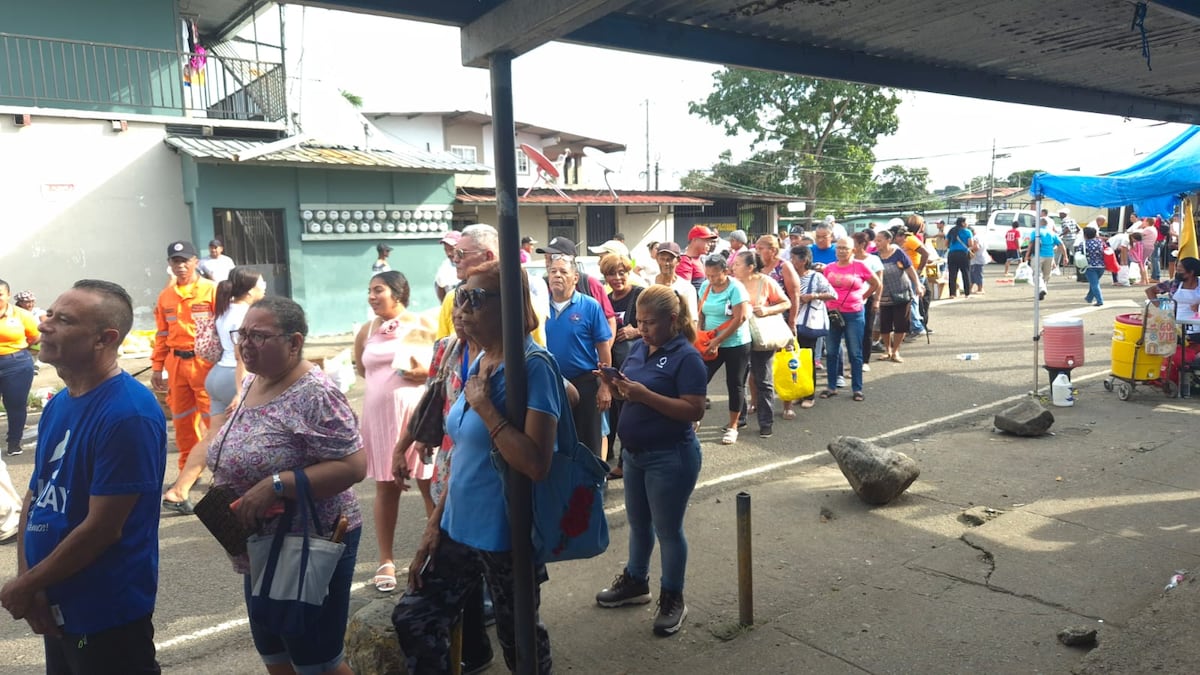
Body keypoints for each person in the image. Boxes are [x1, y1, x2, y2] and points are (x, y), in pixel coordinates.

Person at [393, 260, 556, 674]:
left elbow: (536, 463)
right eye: (460, 295)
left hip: (505, 535)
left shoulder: (531, 367)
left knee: (520, 644)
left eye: (475, 298)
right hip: (456, 526)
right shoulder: (477, 359)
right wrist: (434, 525)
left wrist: (485, 408)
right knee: (414, 616)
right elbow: (465, 452)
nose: (462, 307)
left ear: (511, 307)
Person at [1, 279, 166, 673]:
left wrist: (25, 586)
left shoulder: (128, 414)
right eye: (51, 314)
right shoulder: (60, 403)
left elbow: (102, 529)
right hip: (56, 602)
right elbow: (36, 498)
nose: (43, 325)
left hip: (105, 611)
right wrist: (32, 580)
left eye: (65, 320)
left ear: (103, 339)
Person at [214, 295, 366, 675]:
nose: (246, 344)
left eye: (259, 336)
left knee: (316, 660)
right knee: (274, 651)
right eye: (242, 334)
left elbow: (354, 465)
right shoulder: (253, 379)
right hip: (260, 542)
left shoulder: (315, 392)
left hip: (308, 541)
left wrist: (277, 484)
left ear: (294, 343)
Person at [594, 284, 705, 636]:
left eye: (650, 322)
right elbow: (634, 392)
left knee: (668, 530)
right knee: (638, 524)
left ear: (672, 320)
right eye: (639, 321)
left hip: (670, 457)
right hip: (635, 456)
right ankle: (636, 581)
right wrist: (615, 386)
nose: (643, 329)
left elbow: (692, 409)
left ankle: (673, 596)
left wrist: (644, 395)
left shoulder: (686, 356)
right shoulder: (640, 349)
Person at [162, 266, 266, 513]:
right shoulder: (246, 315)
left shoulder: (223, 310)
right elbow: (243, 355)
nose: (264, 286)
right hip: (236, 377)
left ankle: (179, 490)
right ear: (251, 289)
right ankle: (235, 494)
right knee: (248, 438)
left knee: (212, 436)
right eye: (261, 282)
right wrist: (241, 391)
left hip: (217, 374)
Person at [354, 271, 433, 593]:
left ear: (398, 293)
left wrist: (420, 373)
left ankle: (434, 554)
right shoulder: (366, 329)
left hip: (416, 417)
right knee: (385, 487)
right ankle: (386, 559)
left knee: (430, 485)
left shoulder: (420, 323)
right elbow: (361, 369)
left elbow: (435, 368)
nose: (372, 296)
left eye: (378, 290)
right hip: (378, 418)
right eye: (369, 291)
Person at [152, 241, 216, 471]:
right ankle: (187, 475)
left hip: (206, 366)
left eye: (185, 261)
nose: (180, 266)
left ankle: (224, 476)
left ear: (195, 262)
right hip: (177, 366)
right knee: (183, 425)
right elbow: (161, 334)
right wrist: (157, 366)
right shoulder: (166, 297)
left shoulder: (212, 291)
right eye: (175, 261)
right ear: (170, 264)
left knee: (216, 424)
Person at [545, 254, 613, 459]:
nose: (557, 275)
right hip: (551, 384)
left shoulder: (589, 305)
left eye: (563, 271)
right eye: (553, 271)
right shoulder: (539, 306)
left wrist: (605, 385)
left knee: (589, 442)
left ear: (575, 278)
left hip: (584, 383)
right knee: (555, 442)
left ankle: (593, 487)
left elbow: (603, 347)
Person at [730, 250, 790, 438]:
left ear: (750, 267)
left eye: (737, 264)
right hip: (737, 336)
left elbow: (785, 302)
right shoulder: (732, 283)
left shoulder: (766, 281)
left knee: (763, 379)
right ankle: (739, 418)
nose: (733, 267)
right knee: (738, 380)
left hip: (761, 338)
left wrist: (767, 310)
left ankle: (766, 422)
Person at [697, 255, 750, 445]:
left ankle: (733, 425)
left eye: (715, 275)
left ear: (725, 271)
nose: (711, 279)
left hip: (736, 342)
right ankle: (695, 419)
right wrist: (700, 334)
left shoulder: (736, 288)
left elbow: (740, 318)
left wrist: (719, 340)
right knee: (699, 377)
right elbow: (701, 312)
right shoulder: (705, 286)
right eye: (708, 275)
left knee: (735, 383)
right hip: (710, 342)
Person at [819, 238, 881, 401]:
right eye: (839, 248)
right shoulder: (829, 268)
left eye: (845, 248)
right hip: (833, 314)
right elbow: (824, 287)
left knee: (855, 352)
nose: (841, 251)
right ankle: (831, 386)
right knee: (831, 351)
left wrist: (864, 297)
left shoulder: (860, 266)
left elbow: (876, 283)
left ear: (853, 250)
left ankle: (857, 388)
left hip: (854, 313)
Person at [602, 253, 644, 478]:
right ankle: (607, 454)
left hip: (635, 367)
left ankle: (624, 462)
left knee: (629, 415)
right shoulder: (606, 298)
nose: (617, 278)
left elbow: (659, 324)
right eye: (611, 274)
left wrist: (635, 331)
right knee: (612, 413)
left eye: (622, 273)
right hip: (612, 365)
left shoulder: (640, 295)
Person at [787, 246, 836, 415]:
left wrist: (813, 296)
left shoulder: (816, 277)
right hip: (791, 322)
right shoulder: (790, 277)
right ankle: (798, 392)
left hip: (808, 323)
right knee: (793, 358)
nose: (791, 261)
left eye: (793, 258)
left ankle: (809, 394)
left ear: (804, 260)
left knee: (807, 359)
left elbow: (832, 294)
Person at [0, 280, 39, 457]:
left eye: (0, 294)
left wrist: (15, 348)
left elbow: (34, 337)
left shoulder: (21, 315)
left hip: (16, 364)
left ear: (8, 295)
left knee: (15, 405)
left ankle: (14, 443)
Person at [875, 230, 922, 363]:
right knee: (884, 324)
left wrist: (918, 284)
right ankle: (887, 350)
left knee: (901, 323)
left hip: (901, 292)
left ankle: (896, 351)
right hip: (883, 295)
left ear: (888, 240)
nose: (877, 243)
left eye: (880, 240)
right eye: (876, 240)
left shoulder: (898, 253)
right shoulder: (874, 256)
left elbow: (910, 269)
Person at [852, 230, 884, 370]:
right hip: (850, 299)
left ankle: (865, 360)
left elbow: (879, 282)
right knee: (852, 331)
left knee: (867, 329)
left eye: (853, 243)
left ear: (861, 244)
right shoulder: (848, 259)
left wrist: (877, 300)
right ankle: (854, 359)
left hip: (868, 298)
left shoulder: (873, 260)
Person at [652, 242, 698, 323]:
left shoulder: (687, 288)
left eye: (669, 259)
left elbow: (692, 320)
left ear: (678, 260)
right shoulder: (648, 283)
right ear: (656, 259)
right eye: (662, 259)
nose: (666, 263)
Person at [1026, 219, 1066, 300]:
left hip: (1037, 256)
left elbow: (1031, 244)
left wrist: (1027, 255)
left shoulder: (1036, 232)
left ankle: (1041, 289)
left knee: (1036, 274)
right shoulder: (1052, 233)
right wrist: (1065, 256)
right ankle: (1041, 291)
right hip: (1050, 256)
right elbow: (1061, 244)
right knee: (1046, 275)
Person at [676, 226, 719, 291]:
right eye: (706, 241)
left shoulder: (701, 260)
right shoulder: (685, 261)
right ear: (695, 240)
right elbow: (683, 291)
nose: (709, 244)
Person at [945, 216, 974, 298]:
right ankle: (967, 293)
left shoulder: (951, 231)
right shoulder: (967, 232)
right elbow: (970, 244)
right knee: (965, 273)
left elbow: (946, 243)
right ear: (963, 223)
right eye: (966, 222)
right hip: (963, 254)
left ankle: (952, 294)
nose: (967, 223)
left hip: (952, 254)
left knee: (952, 274)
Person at [434, 231, 462, 303]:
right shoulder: (445, 267)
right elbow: (440, 289)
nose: (448, 253)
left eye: (452, 249)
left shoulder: (469, 264)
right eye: (446, 250)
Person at [1081, 226, 1106, 307]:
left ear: (1085, 235)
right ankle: (1089, 298)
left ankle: (1099, 300)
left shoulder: (1084, 244)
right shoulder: (1100, 242)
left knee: (1094, 284)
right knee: (1094, 283)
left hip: (1090, 266)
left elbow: (1079, 253)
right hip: (1101, 266)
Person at [969, 226, 989, 295]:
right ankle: (970, 288)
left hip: (977, 259)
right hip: (979, 258)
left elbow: (976, 247)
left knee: (977, 274)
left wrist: (969, 249)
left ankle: (980, 289)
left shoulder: (975, 238)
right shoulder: (980, 237)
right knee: (972, 274)